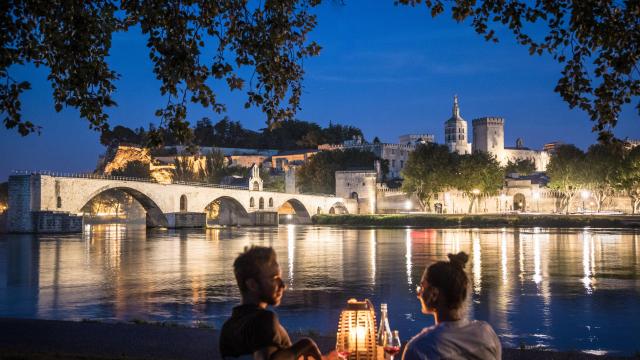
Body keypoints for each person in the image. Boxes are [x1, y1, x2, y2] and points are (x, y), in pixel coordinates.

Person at [220, 245, 331, 360]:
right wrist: (305, 344)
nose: (283, 285)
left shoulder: (228, 328)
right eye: (274, 278)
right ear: (252, 284)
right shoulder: (264, 319)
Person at [403, 252, 501, 360]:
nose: (418, 294)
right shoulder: (486, 334)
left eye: (422, 287)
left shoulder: (420, 348)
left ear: (434, 294)